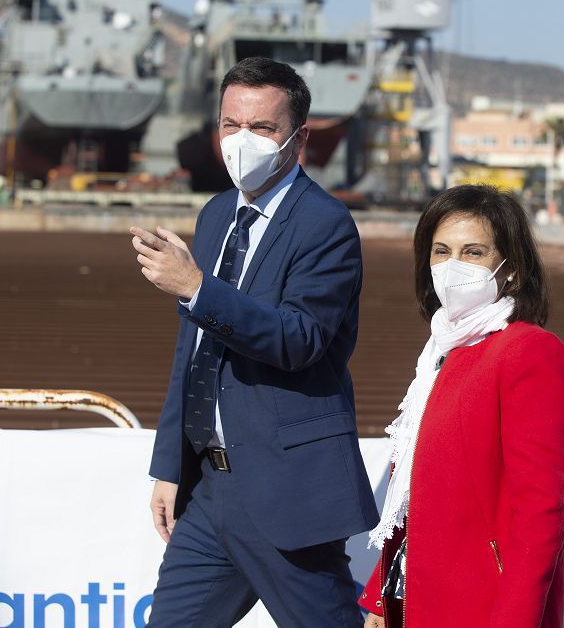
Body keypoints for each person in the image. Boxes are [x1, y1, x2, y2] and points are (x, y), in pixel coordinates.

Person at [131, 56, 378, 627]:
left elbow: (300, 339)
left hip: (285, 490)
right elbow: (190, 353)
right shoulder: (217, 214)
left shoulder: (326, 225)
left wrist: (195, 286)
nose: (242, 140)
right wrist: (169, 465)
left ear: (298, 138)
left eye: (261, 128)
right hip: (208, 492)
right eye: (230, 125)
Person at [358, 185, 564, 627]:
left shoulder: (529, 351)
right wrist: (380, 599)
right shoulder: (441, 352)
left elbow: (541, 513)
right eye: (441, 251)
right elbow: (412, 495)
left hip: (477, 607)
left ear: (511, 269)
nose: (452, 265)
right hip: (412, 599)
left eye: (473, 252)